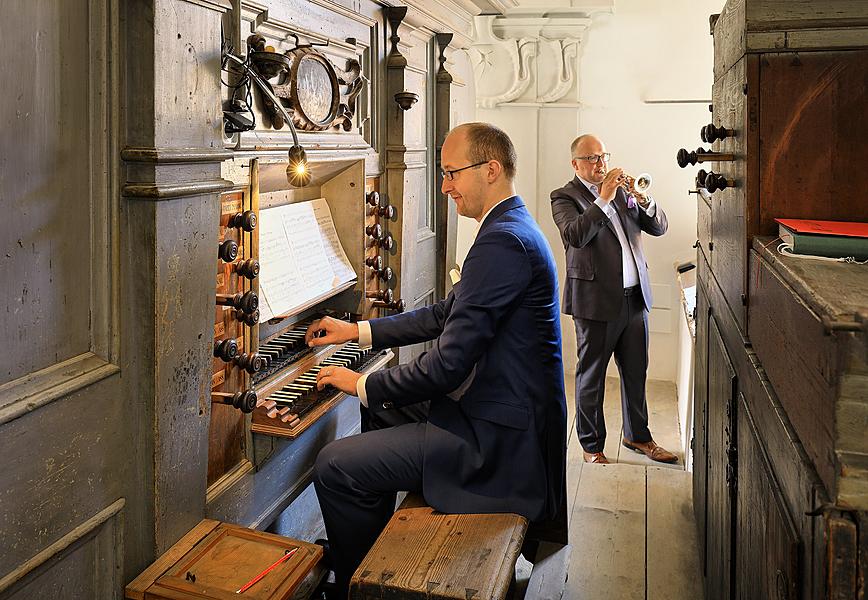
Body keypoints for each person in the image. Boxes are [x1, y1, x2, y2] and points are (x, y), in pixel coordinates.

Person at [306, 122, 567, 596]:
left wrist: (359, 382)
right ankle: (370, 544)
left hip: (500, 442)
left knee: (334, 464)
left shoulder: (503, 241)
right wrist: (358, 330)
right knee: (379, 408)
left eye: (451, 173)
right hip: (504, 413)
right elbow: (445, 314)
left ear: (490, 170)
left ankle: (356, 585)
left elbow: (446, 366)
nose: (444, 186)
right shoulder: (511, 228)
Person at [550, 134, 677, 465]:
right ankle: (592, 446)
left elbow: (659, 227)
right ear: (575, 163)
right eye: (591, 158)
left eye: (603, 156)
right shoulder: (564, 197)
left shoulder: (623, 192)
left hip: (635, 300)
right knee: (591, 377)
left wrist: (642, 197)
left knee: (636, 373)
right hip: (594, 302)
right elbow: (576, 236)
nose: (600, 163)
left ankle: (638, 437)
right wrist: (603, 199)